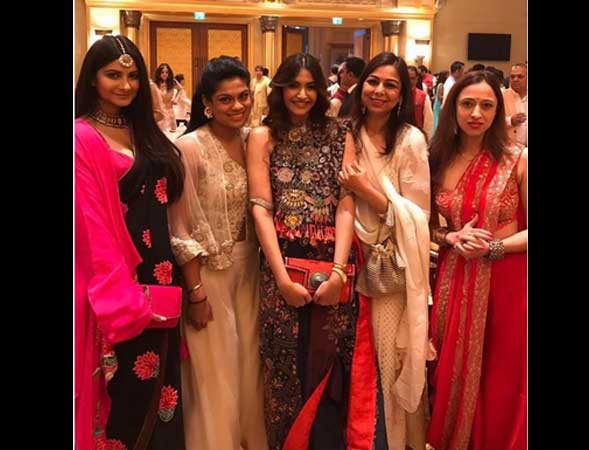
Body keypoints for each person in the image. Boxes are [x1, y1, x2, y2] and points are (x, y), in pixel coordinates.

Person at [247, 52, 387, 450]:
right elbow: (261, 208)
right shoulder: (262, 136)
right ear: (280, 88)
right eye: (294, 85)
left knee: (330, 367)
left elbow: (345, 204)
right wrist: (280, 279)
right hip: (281, 264)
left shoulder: (339, 132)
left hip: (332, 263)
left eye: (311, 86)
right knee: (284, 370)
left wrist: (339, 272)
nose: (302, 94)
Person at [75, 34, 186, 450]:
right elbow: (89, 222)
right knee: (124, 392)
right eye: (113, 76)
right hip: (118, 281)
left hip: (162, 273)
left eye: (133, 76)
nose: (125, 85)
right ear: (92, 79)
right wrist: (120, 291)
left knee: (163, 391)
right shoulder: (81, 137)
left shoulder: (145, 132)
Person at [167, 56, 268, 450]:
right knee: (215, 374)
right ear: (207, 104)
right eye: (225, 99)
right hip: (208, 274)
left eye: (243, 96)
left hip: (252, 268)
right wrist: (195, 293)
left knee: (249, 367)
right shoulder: (189, 147)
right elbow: (179, 227)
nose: (238, 106)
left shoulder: (255, 141)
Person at [339, 51, 434, 450]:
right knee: (348, 360)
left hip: (388, 267)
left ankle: (388, 441)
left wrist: (366, 191)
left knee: (385, 359)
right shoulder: (343, 131)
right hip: (346, 258)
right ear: (360, 85)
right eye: (373, 81)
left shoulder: (410, 140)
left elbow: (418, 218)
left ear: (402, 95)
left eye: (390, 85)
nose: (379, 91)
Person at [427, 70, 527, 450]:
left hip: (506, 281)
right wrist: (449, 237)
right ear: (453, 107)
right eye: (467, 104)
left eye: (486, 105)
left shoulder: (517, 160)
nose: (476, 113)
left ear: (498, 111)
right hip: (453, 278)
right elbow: (426, 226)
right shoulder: (436, 160)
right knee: (451, 367)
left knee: (500, 374)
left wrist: (493, 248)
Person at [502, 63, 527, 146]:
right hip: (508, 147)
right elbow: (492, 121)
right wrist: (510, 121)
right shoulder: (501, 96)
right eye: (512, 77)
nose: (515, 79)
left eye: (520, 76)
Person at [408, 65, 434, 140]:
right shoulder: (397, 95)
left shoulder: (423, 97)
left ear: (417, 79)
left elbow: (428, 123)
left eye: (412, 78)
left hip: (417, 138)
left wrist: (426, 139)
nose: (410, 81)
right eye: (407, 79)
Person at [154, 63, 178, 132]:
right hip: (159, 114)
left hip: (169, 114)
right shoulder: (155, 85)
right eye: (162, 72)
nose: (165, 74)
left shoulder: (171, 85)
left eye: (167, 72)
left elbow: (181, 89)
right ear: (159, 73)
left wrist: (175, 99)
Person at [432, 71, 449, 137]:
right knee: (437, 119)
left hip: (436, 103)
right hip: (438, 104)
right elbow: (440, 96)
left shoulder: (439, 84)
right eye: (447, 75)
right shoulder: (441, 85)